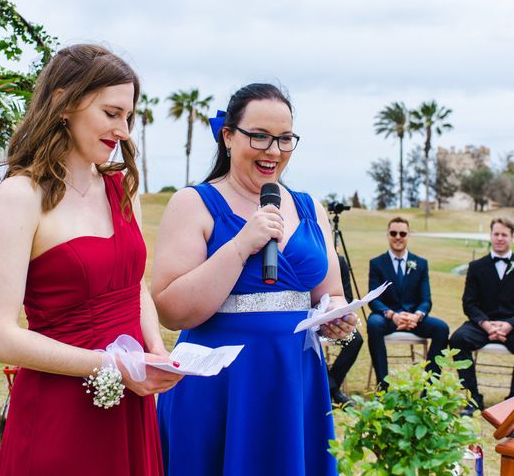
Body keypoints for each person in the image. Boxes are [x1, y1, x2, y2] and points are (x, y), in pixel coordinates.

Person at [0, 44, 182, 476]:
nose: (123, 130)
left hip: (131, 401)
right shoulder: (21, 195)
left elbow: (134, 286)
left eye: (129, 116)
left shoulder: (122, 186)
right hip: (59, 412)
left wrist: (156, 350)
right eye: (111, 113)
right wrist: (114, 365)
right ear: (63, 103)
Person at [151, 83, 358, 476]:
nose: (274, 151)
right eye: (259, 136)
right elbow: (171, 310)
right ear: (228, 137)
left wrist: (336, 317)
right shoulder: (193, 203)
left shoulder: (309, 207)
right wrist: (241, 244)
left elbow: (330, 292)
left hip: (294, 379)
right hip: (222, 383)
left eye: (284, 139)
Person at [367, 217, 449, 391]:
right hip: (388, 318)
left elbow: (426, 299)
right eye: (393, 233)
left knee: (441, 328)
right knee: (373, 323)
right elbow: (373, 299)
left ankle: (428, 388)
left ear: (408, 235)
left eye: (402, 233)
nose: (398, 237)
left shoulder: (420, 264)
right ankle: (384, 386)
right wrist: (392, 315)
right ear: (388, 235)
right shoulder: (376, 264)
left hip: (413, 319)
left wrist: (417, 315)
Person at [450, 217, 514, 415]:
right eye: (496, 234)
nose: (500, 238)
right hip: (482, 325)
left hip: (511, 326)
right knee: (457, 339)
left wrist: (509, 325)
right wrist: (487, 325)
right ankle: (473, 399)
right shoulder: (476, 266)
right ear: (490, 236)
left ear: (512, 237)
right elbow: (468, 302)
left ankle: (511, 405)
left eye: (504, 234)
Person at [326, 248, 364, 406]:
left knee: (355, 340)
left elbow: (346, 297)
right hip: (306, 319)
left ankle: (330, 387)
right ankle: (334, 392)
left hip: (331, 318)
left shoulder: (339, 262)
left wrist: (333, 312)